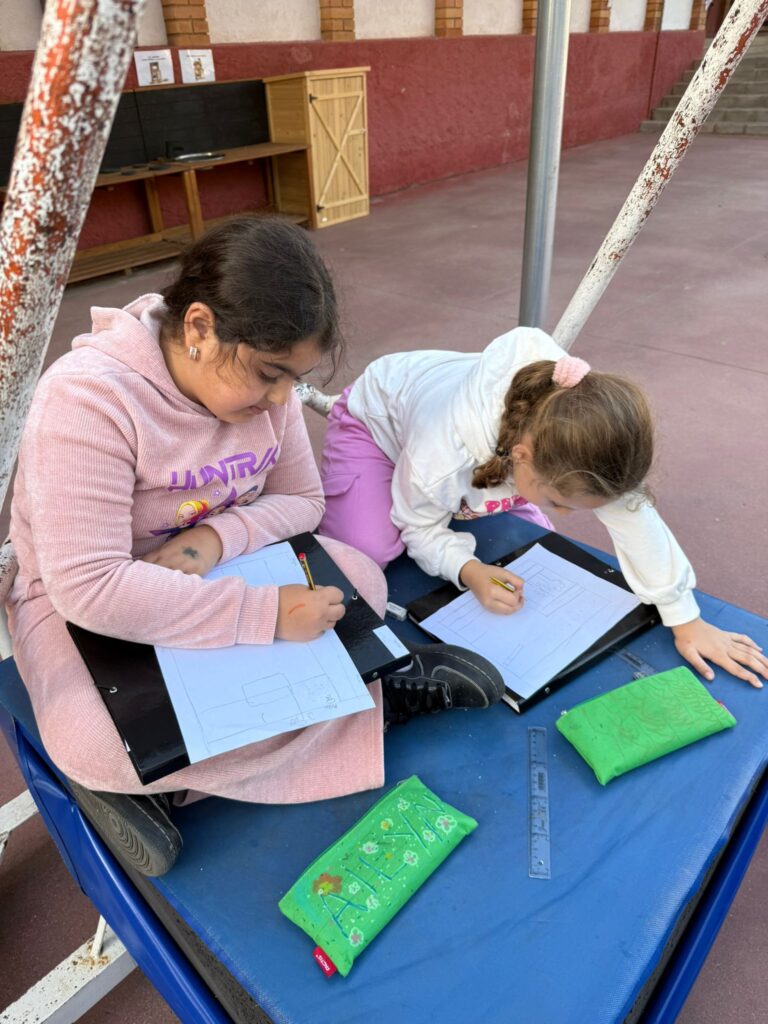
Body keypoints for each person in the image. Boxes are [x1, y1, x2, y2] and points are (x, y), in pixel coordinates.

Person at [6, 217, 504, 810]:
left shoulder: (271, 394)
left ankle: (180, 782)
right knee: (91, 741)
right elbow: (89, 587)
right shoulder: (88, 399)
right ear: (200, 327)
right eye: (269, 373)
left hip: (220, 566)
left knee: (360, 578)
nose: (281, 399)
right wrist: (263, 615)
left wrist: (215, 539)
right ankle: (374, 704)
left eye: (293, 379)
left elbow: (303, 502)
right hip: (86, 604)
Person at [319, 327, 768, 689]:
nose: (565, 513)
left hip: (468, 449)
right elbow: (418, 525)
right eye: (558, 502)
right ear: (521, 458)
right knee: (368, 551)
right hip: (376, 424)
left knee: (540, 545)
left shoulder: (575, 434)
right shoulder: (442, 456)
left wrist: (685, 619)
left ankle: (473, 502)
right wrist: (468, 570)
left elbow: (634, 517)